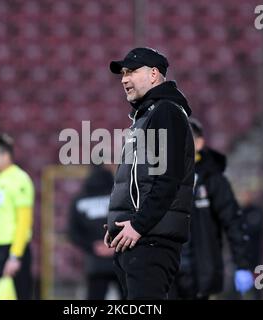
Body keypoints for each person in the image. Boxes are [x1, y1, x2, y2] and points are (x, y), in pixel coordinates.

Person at [104, 47, 195, 299]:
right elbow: (139, 181)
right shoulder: (147, 115)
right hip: (139, 239)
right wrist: (119, 220)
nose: (124, 79)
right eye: (122, 73)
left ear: (154, 74)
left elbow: (168, 180)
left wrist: (138, 225)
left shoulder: (165, 111)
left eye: (131, 71)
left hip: (150, 240)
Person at [170, 118, 253, 300]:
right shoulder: (159, 178)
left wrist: (242, 265)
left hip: (201, 272)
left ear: (199, 143)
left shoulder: (213, 180)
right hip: (167, 273)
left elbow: (233, 222)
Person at [0, 133, 35, 300]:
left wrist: (15, 256)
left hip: (13, 251)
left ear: (5, 156)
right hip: (0, 251)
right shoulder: (0, 181)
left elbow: (24, 221)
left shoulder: (19, 179)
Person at [68, 164, 123, 299]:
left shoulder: (79, 199)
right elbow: (132, 222)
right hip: (121, 259)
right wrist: (116, 244)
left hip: (95, 263)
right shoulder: (121, 195)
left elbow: (73, 233)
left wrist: (93, 246)